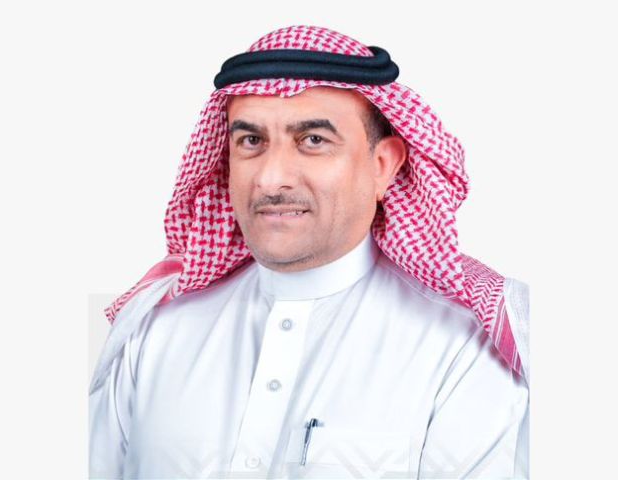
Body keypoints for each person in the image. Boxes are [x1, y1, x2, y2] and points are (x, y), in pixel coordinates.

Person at [89, 25, 529, 479]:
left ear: (382, 166)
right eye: (251, 141)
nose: (271, 178)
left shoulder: (463, 347)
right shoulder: (154, 333)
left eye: (313, 141)